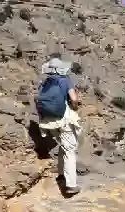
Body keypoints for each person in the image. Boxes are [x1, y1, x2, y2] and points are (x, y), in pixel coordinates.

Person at [37, 57, 82, 196]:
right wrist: (76, 104)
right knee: (70, 150)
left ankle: (61, 174)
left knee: (63, 145)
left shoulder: (45, 82)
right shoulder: (65, 80)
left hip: (49, 121)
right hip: (64, 119)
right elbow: (73, 99)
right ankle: (71, 185)